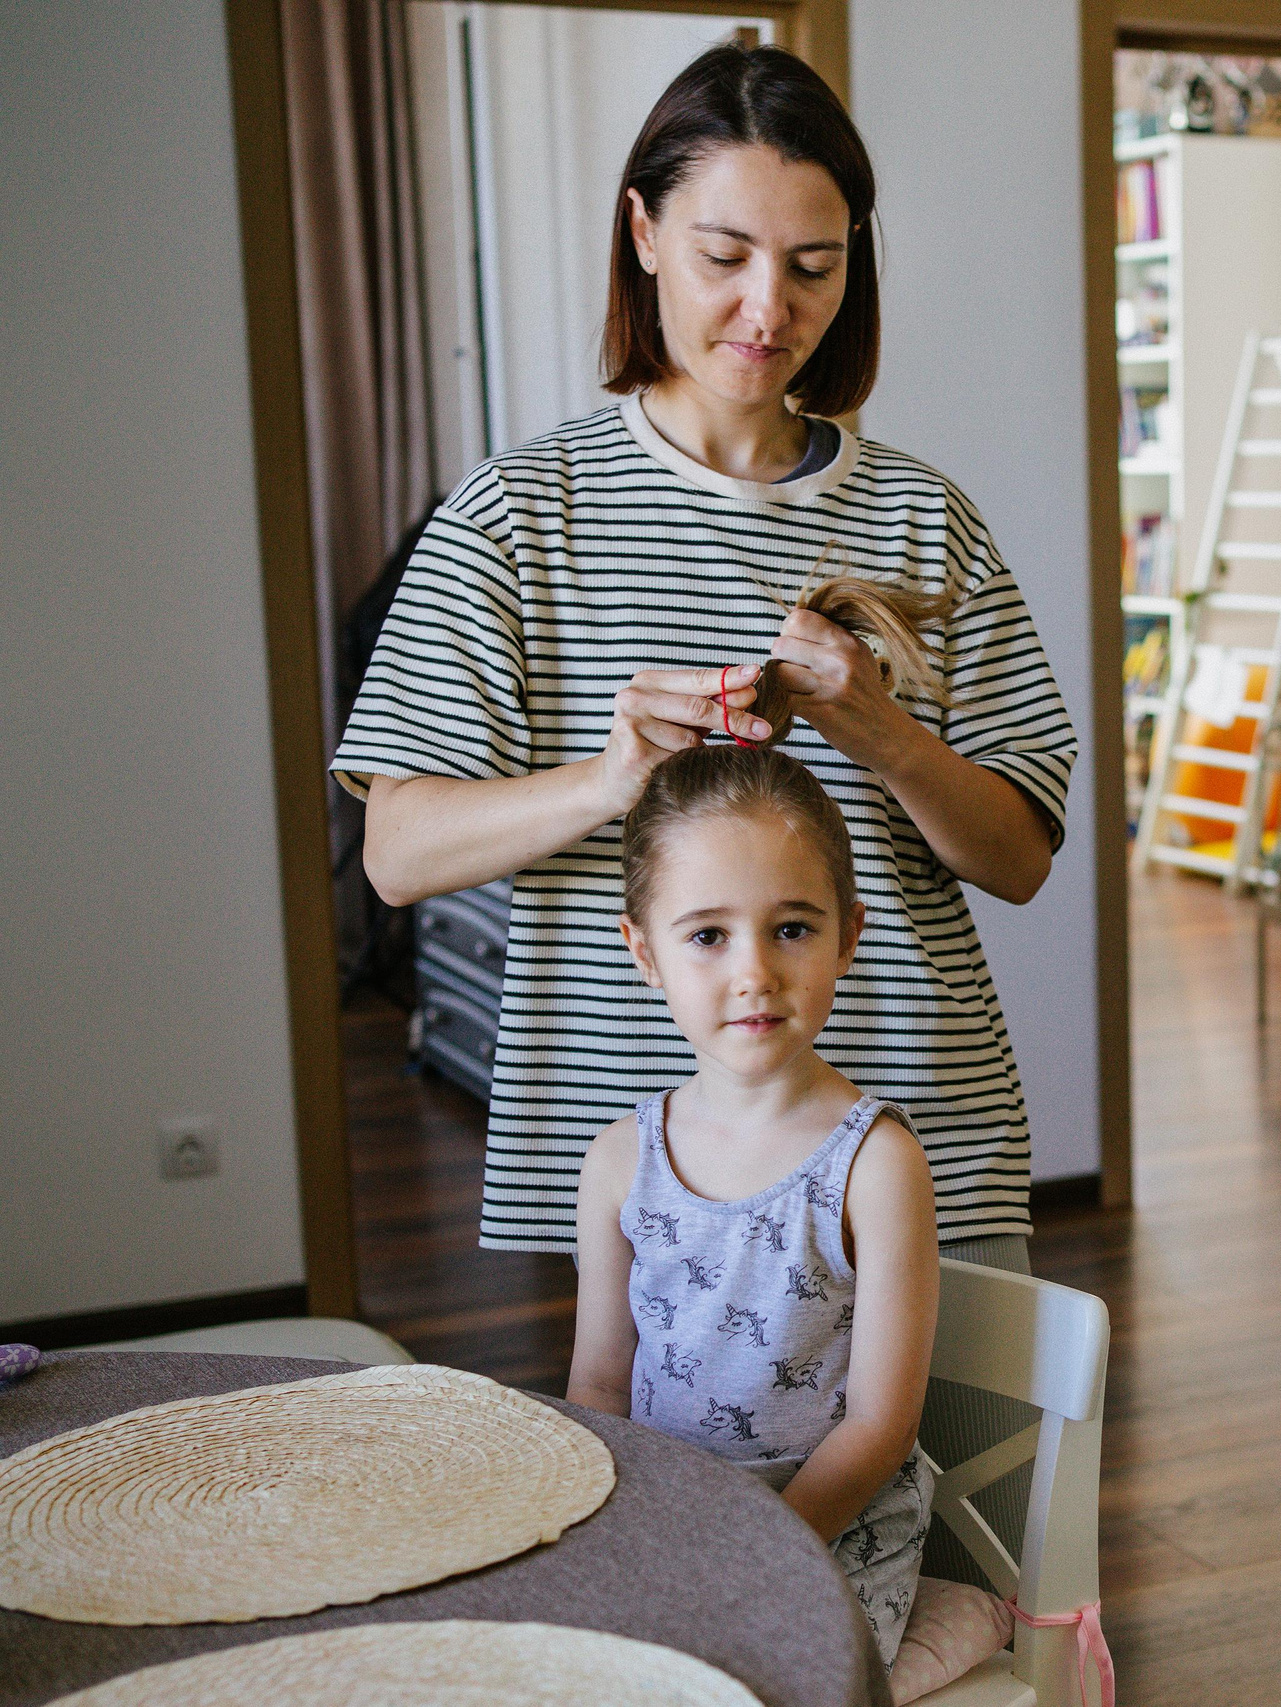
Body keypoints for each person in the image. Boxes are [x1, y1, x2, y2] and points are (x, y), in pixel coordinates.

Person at [332, 43, 1073, 1282]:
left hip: (914, 1132)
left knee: (943, 1481)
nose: (768, 310)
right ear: (643, 232)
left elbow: (1019, 860)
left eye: (814, 266)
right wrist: (607, 778)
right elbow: (398, 857)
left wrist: (880, 733)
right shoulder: (517, 515)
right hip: (640, 1161)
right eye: (725, 257)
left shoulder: (921, 518)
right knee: (669, 1483)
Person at [566, 744, 939, 1663]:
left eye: (792, 928)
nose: (754, 973)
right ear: (644, 951)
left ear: (848, 935)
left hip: (829, 1531)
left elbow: (880, 1427)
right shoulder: (618, 1161)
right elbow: (599, 1387)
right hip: (666, 1520)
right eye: (708, 935)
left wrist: (750, 1551)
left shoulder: (878, 1164)